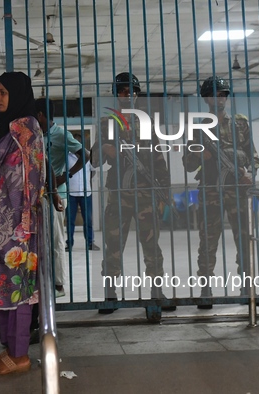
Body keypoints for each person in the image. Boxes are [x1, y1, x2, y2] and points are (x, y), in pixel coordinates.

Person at [0, 72, 45, 376]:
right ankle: (8, 349)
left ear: (17, 95)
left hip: (18, 224)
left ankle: (20, 355)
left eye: (4, 92)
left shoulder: (26, 129)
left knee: (20, 290)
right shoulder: (8, 129)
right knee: (8, 286)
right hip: (3, 222)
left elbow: (22, 180)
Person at [92, 72, 175, 314]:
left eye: (132, 91)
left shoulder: (146, 121)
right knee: (113, 247)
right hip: (118, 195)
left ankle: (157, 292)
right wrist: (105, 148)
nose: (128, 95)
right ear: (116, 94)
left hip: (146, 195)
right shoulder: (107, 122)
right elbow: (95, 160)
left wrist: (165, 190)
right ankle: (110, 294)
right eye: (123, 91)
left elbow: (158, 157)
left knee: (152, 246)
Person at [182, 76, 259, 309]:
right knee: (208, 241)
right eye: (214, 94)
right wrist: (199, 155)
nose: (219, 98)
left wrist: (248, 171)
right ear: (206, 98)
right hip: (210, 192)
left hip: (238, 191)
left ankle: (248, 288)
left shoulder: (240, 123)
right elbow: (187, 163)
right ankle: (205, 289)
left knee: (244, 240)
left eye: (222, 94)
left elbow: (254, 157)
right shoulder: (197, 127)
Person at [35, 98, 90, 298]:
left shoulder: (60, 134)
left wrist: (66, 175)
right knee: (38, 241)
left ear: (40, 115)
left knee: (56, 240)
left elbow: (85, 154)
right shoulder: (34, 135)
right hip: (36, 195)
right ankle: (41, 281)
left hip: (55, 195)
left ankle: (58, 285)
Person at [66, 149, 100, 251]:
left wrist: (87, 182)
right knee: (70, 220)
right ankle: (69, 244)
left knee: (88, 220)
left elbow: (93, 171)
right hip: (71, 192)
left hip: (86, 192)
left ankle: (90, 243)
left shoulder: (88, 157)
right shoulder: (67, 157)